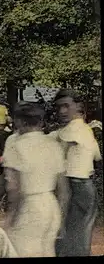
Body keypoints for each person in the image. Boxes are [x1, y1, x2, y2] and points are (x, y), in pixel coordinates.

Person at [1, 102, 68, 257]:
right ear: (41, 121)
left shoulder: (16, 146)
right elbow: (64, 190)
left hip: (29, 206)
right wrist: (61, 219)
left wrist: (10, 218)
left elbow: (14, 189)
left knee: (19, 251)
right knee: (47, 251)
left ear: (20, 121)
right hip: (51, 205)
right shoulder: (53, 145)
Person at [52, 89, 102, 257]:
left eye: (66, 106)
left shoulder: (74, 128)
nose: (62, 111)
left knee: (67, 236)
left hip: (74, 185)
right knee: (80, 235)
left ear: (79, 106)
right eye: (59, 107)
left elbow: (59, 145)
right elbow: (96, 156)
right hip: (86, 186)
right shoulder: (87, 130)